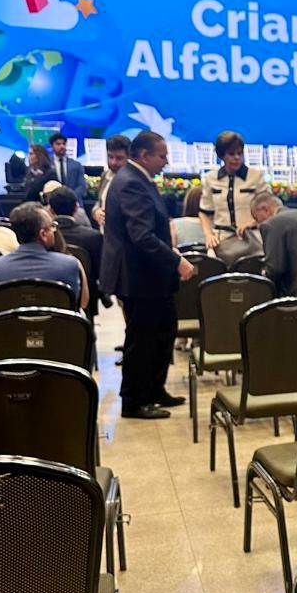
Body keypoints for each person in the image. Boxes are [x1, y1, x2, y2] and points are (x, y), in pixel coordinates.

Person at [101, 131, 196, 420]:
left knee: (164, 330)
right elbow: (141, 236)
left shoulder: (138, 179)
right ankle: (134, 400)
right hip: (138, 276)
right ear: (144, 155)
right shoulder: (131, 182)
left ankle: (155, 389)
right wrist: (177, 261)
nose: (166, 162)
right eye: (162, 156)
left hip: (151, 276)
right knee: (142, 339)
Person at [0, 202, 82, 302]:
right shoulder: (69, 265)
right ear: (43, 234)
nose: (54, 230)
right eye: (52, 226)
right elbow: (74, 304)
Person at [198, 130, 266, 264]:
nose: (237, 158)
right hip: (221, 241)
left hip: (252, 239)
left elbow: (270, 209)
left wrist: (252, 222)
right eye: (231, 154)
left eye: (240, 153)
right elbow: (204, 212)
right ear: (221, 156)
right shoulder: (211, 178)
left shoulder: (256, 176)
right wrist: (208, 234)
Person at [48, 185, 103, 315]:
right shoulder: (93, 236)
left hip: (51, 292)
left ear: (51, 209)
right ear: (76, 208)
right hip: (87, 298)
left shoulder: (46, 238)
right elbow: (99, 271)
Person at [93, 135, 131, 231]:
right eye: (110, 157)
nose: (113, 162)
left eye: (119, 158)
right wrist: (96, 211)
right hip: (104, 234)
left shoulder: (133, 180)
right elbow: (99, 202)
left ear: (129, 157)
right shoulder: (105, 175)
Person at [49, 132, 87, 200]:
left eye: (64, 144)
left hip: (74, 201)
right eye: (58, 144)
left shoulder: (77, 165)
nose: (62, 146)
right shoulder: (47, 164)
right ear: (52, 146)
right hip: (52, 201)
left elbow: (82, 186)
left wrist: (70, 197)